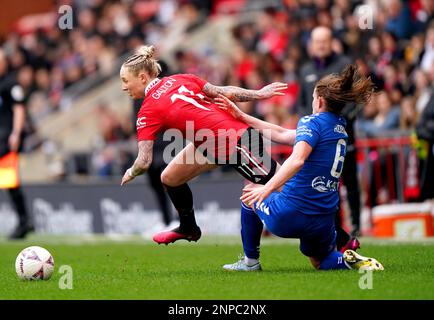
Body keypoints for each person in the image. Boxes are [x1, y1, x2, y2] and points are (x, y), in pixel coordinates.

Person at [218, 65, 383, 271]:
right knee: (320, 262)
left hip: (292, 212)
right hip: (324, 217)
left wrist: (266, 189)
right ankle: (349, 261)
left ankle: (250, 262)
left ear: (320, 100)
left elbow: (297, 160)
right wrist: (241, 116)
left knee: (249, 195)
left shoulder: (311, 122)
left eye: (313, 97)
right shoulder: (339, 127)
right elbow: (281, 133)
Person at [119, 45, 287, 244]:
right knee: (170, 177)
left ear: (142, 78)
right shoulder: (181, 78)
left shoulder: (147, 110)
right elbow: (224, 92)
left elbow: (144, 161)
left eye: (125, 80)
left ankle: (326, 222)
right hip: (211, 142)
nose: (123, 87)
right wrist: (258, 93)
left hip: (237, 140)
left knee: (284, 186)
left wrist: (131, 172)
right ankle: (188, 228)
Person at [298, 26, 362, 239]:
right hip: (316, 139)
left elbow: (355, 101)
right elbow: (303, 104)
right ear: (311, 45)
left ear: (332, 41)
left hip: (343, 135)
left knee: (350, 182)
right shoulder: (305, 70)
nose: (321, 45)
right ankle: (334, 227)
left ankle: (356, 225)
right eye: (317, 42)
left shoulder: (344, 65)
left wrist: (339, 121)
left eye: (325, 41)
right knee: (324, 184)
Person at [0, 49, 33, 239]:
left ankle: (24, 221)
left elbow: (19, 109)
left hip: (6, 142)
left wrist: (16, 133)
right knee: (8, 183)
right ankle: (23, 221)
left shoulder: (11, 84)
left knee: (10, 183)